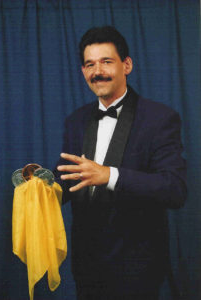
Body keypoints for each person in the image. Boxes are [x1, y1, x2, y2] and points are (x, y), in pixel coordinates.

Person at [54, 26, 187, 300]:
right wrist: (39, 186)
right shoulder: (75, 121)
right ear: (83, 72)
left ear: (126, 65)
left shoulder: (160, 118)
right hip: (86, 266)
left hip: (138, 269)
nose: (97, 71)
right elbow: (67, 179)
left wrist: (110, 175)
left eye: (106, 61)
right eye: (90, 64)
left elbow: (174, 190)